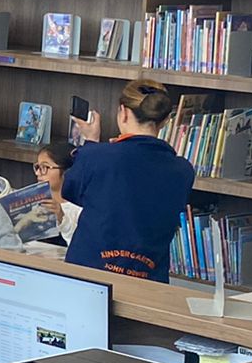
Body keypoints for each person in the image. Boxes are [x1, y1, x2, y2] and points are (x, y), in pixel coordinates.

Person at [64, 81, 195, 281]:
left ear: (123, 112)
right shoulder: (183, 170)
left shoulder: (97, 157)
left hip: (90, 275)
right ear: (166, 120)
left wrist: (91, 143)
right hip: (148, 280)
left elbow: (71, 191)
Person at [33, 141, 82, 244]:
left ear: (66, 172)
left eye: (45, 167)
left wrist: (61, 217)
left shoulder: (79, 209)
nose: (38, 173)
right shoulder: (35, 199)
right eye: (37, 167)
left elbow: (79, 245)